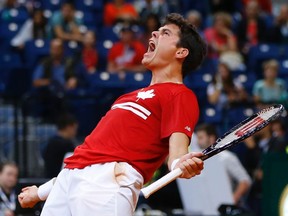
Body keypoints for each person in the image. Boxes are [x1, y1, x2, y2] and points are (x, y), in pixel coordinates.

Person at [18, 13, 207, 216]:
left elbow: (176, 154)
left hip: (109, 185)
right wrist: (41, 192)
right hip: (67, 181)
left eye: (165, 33)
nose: (154, 33)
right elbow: (88, 158)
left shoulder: (180, 94)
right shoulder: (126, 97)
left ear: (181, 52)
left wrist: (182, 164)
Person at [194, 124, 252, 206]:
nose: (198, 141)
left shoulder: (226, 157)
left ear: (211, 138)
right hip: (202, 205)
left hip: (222, 206)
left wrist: (233, 200)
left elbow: (245, 180)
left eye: (201, 138)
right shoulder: (195, 159)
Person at [31, 38, 77, 122]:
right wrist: (50, 82)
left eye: (57, 48)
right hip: (50, 93)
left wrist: (73, 80)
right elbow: (35, 81)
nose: (55, 51)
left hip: (66, 92)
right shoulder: (44, 63)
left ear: (62, 50)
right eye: (53, 48)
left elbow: (74, 77)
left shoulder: (69, 62)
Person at [43, 114, 78, 178]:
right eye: (75, 129)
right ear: (69, 127)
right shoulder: (67, 145)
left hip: (48, 179)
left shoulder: (50, 142)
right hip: (60, 180)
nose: (75, 133)